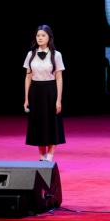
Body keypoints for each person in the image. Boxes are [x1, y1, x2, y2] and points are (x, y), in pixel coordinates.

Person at [23, 25, 65, 161]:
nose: (40, 38)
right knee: (39, 124)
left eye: (43, 35)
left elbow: (59, 78)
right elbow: (28, 77)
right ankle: (41, 157)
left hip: (50, 91)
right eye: (38, 35)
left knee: (52, 123)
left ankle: (49, 158)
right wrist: (26, 98)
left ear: (49, 37)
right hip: (36, 91)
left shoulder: (56, 55)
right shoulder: (31, 54)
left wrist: (58, 99)